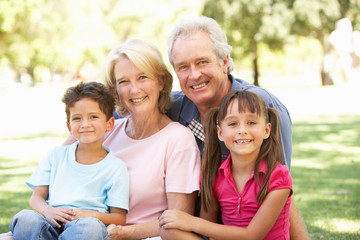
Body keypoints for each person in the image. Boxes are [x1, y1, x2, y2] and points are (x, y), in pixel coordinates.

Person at [166, 16, 308, 239]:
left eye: (202, 62)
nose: (194, 75)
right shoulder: (172, 108)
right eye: (183, 67)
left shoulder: (262, 107)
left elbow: (282, 194)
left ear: (224, 62)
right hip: (210, 227)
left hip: (257, 226)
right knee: (170, 231)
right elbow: (126, 105)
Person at [102, 38, 201, 239]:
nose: (134, 89)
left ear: (161, 81)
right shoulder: (107, 132)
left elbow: (179, 221)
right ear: (115, 90)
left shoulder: (178, 140)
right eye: (123, 81)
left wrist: (123, 233)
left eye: (142, 77)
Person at [159, 90, 293, 239]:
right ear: (220, 132)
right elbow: (208, 230)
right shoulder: (214, 174)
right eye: (233, 124)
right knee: (168, 230)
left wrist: (191, 222)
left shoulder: (278, 176)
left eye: (251, 122)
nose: (242, 130)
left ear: (266, 130)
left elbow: (252, 236)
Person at [8, 81, 130, 240]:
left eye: (93, 116)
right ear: (69, 126)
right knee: (26, 219)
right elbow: (36, 197)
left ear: (109, 123)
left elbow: (119, 218)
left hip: (85, 224)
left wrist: (89, 215)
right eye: (77, 118)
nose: (85, 124)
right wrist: (47, 211)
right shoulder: (55, 155)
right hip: (50, 220)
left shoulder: (116, 167)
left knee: (89, 228)